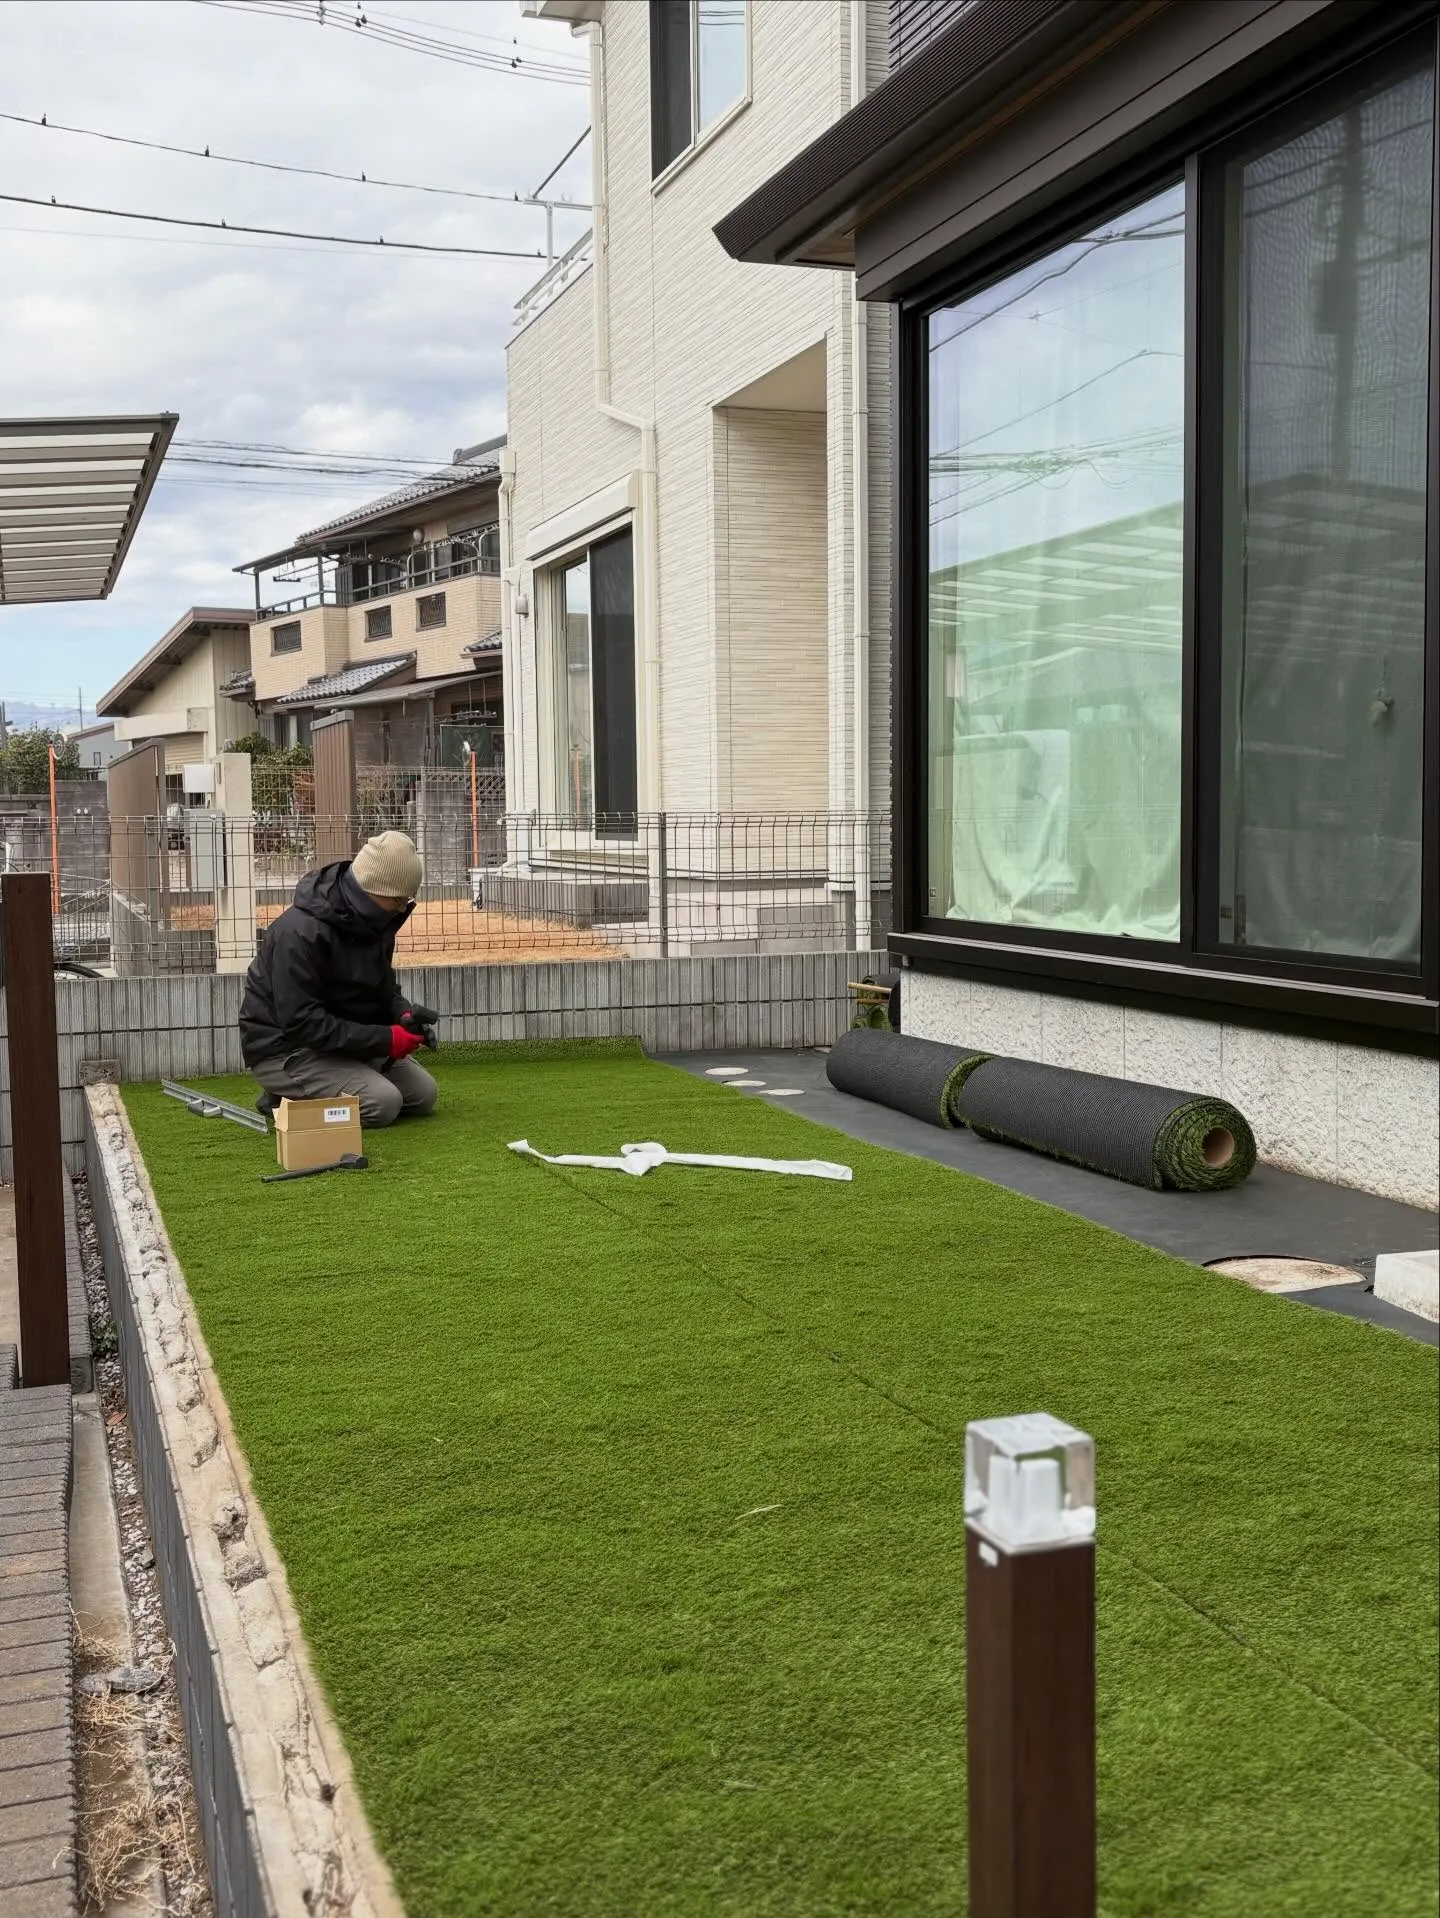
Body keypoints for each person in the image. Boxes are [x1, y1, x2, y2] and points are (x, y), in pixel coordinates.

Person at [240, 830, 438, 1128]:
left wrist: (403, 1015)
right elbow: (301, 1023)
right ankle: (282, 1100)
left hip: (340, 1046)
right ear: (375, 888)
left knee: (423, 1095)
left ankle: (324, 1089)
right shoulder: (299, 932)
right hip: (286, 1050)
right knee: (382, 1104)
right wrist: (386, 1040)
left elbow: (384, 987)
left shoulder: (374, 923)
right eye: (399, 899)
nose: (401, 908)